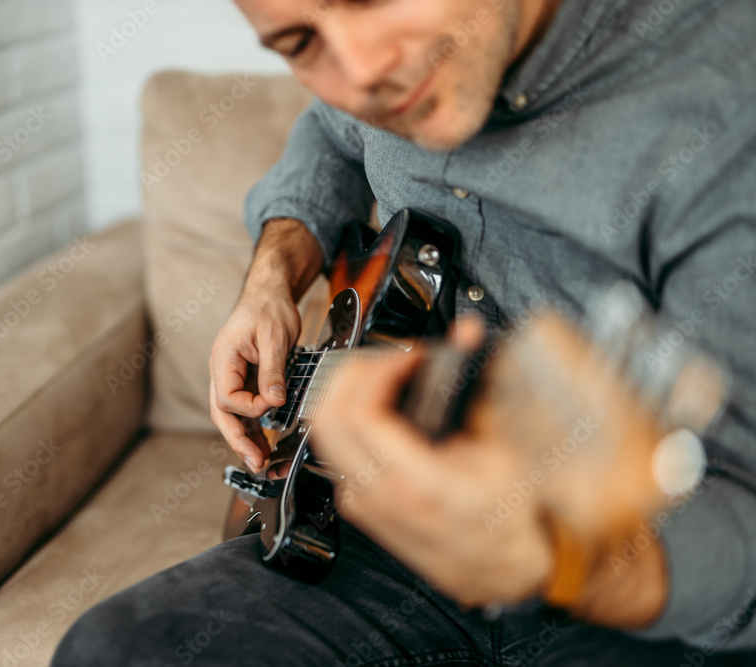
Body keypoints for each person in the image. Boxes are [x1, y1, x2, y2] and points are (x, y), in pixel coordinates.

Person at [53, 0, 756, 664]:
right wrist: (272, 277)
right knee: (113, 648)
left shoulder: (723, 103)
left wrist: (571, 561)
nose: (359, 73)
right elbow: (329, 132)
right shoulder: (372, 80)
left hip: (645, 575)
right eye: (302, 42)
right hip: (388, 523)